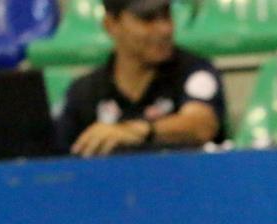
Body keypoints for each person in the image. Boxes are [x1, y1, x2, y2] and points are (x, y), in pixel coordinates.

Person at [55, 0, 226, 157]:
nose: (165, 29)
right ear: (111, 25)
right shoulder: (84, 90)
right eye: (148, 18)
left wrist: (136, 131)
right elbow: (53, 155)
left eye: (166, 15)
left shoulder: (194, 70)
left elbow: (201, 125)